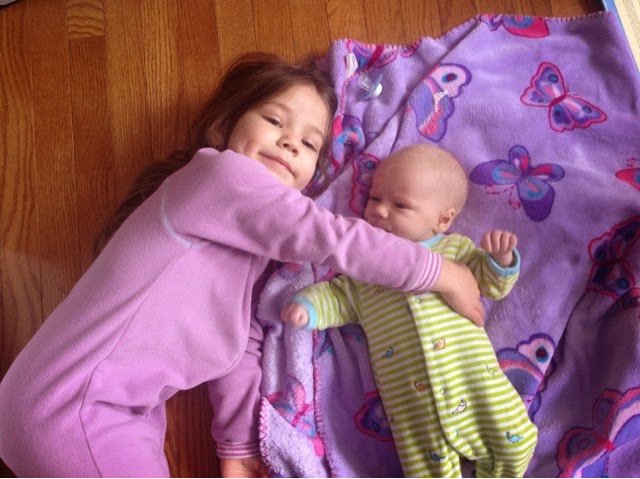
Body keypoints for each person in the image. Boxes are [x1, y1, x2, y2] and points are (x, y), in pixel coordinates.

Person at [0, 54, 484, 478]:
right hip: (74, 407)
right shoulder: (219, 175)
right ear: (226, 126)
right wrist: (443, 272)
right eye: (275, 120)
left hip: (116, 411)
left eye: (310, 144)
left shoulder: (250, 252)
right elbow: (332, 237)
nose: (291, 143)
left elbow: (236, 347)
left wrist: (238, 445)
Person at [281, 144, 538, 478]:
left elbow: (492, 286)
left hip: (475, 382)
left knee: (516, 442)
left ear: (442, 220)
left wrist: (500, 261)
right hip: (411, 405)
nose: (379, 210)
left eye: (400, 205)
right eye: (374, 198)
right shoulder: (367, 264)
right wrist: (309, 306)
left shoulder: (455, 250)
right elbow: (341, 297)